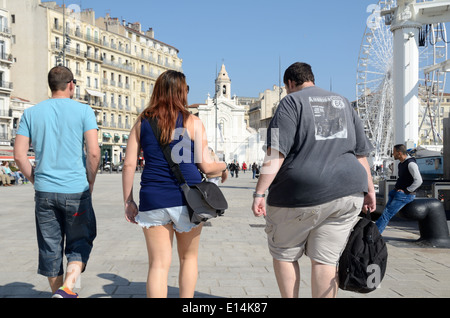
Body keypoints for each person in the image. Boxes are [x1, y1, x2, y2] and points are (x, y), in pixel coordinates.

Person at [251, 62, 375, 298]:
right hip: (348, 192)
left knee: (284, 254)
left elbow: (275, 151)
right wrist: (369, 190)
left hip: (299, 193)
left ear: (289, 83)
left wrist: (259, 192)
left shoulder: (290, 102)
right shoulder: (343, 102)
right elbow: (360, 154)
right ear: (311, 79)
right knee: (326, 261)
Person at [122, 70, 228, 298]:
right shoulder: (193, 122)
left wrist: (128, 200)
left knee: (158, 265)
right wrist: (225, 167)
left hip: (153, 197)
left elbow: (129, 164)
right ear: (182, 92)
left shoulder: (143, 121)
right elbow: (207, 167)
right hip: (187, 200)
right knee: (188, 258)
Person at [14, 66, 100, 298]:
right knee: (80, 241)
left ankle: (60, 293)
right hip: (76, 189)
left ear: (50, 85)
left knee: (50, 248)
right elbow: (93, 153)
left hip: (44, 191)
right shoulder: (84, 111)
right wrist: (90, 181)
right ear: (71, 84)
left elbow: (19, 156)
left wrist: (35, 178)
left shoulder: (32, 113)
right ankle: (68, 288)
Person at [376, 144, 422, 233]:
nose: (393, 155)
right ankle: (375, 232)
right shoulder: (401, 164)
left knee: (386, 215)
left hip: (405, 195)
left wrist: (406, 191)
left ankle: (374, 235)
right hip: (396, 193)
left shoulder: (411, 164)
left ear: (399, 153)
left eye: (394, 152)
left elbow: (419, 181)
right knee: (385, 213)